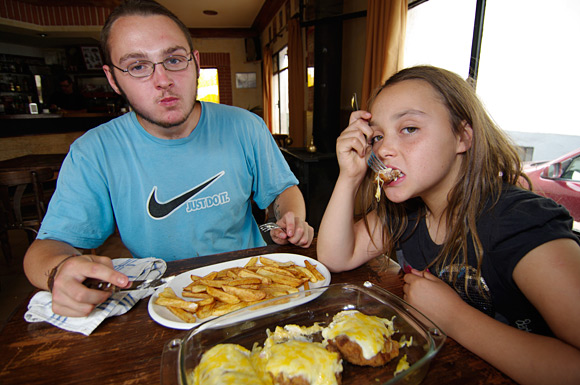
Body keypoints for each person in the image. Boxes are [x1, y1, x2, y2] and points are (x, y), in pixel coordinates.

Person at [23, 0, 313, 317]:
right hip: (165, 302)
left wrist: (291, 218)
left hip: (257, 289)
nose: (163, 80)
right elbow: (45, 249)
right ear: (112, 79)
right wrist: (59, 271)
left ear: (195, 63)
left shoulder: (246, 126)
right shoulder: (95, 151)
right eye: (137, 67)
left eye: (174, 59)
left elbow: (283, 192)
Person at [317, 65, 580, 384]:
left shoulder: (521, 222)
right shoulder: (407, 212)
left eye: (409, 128)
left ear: (462, 136)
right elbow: (335, 256)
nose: (383, 150)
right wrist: (350, 175)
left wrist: (454, 318)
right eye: (377, 137)